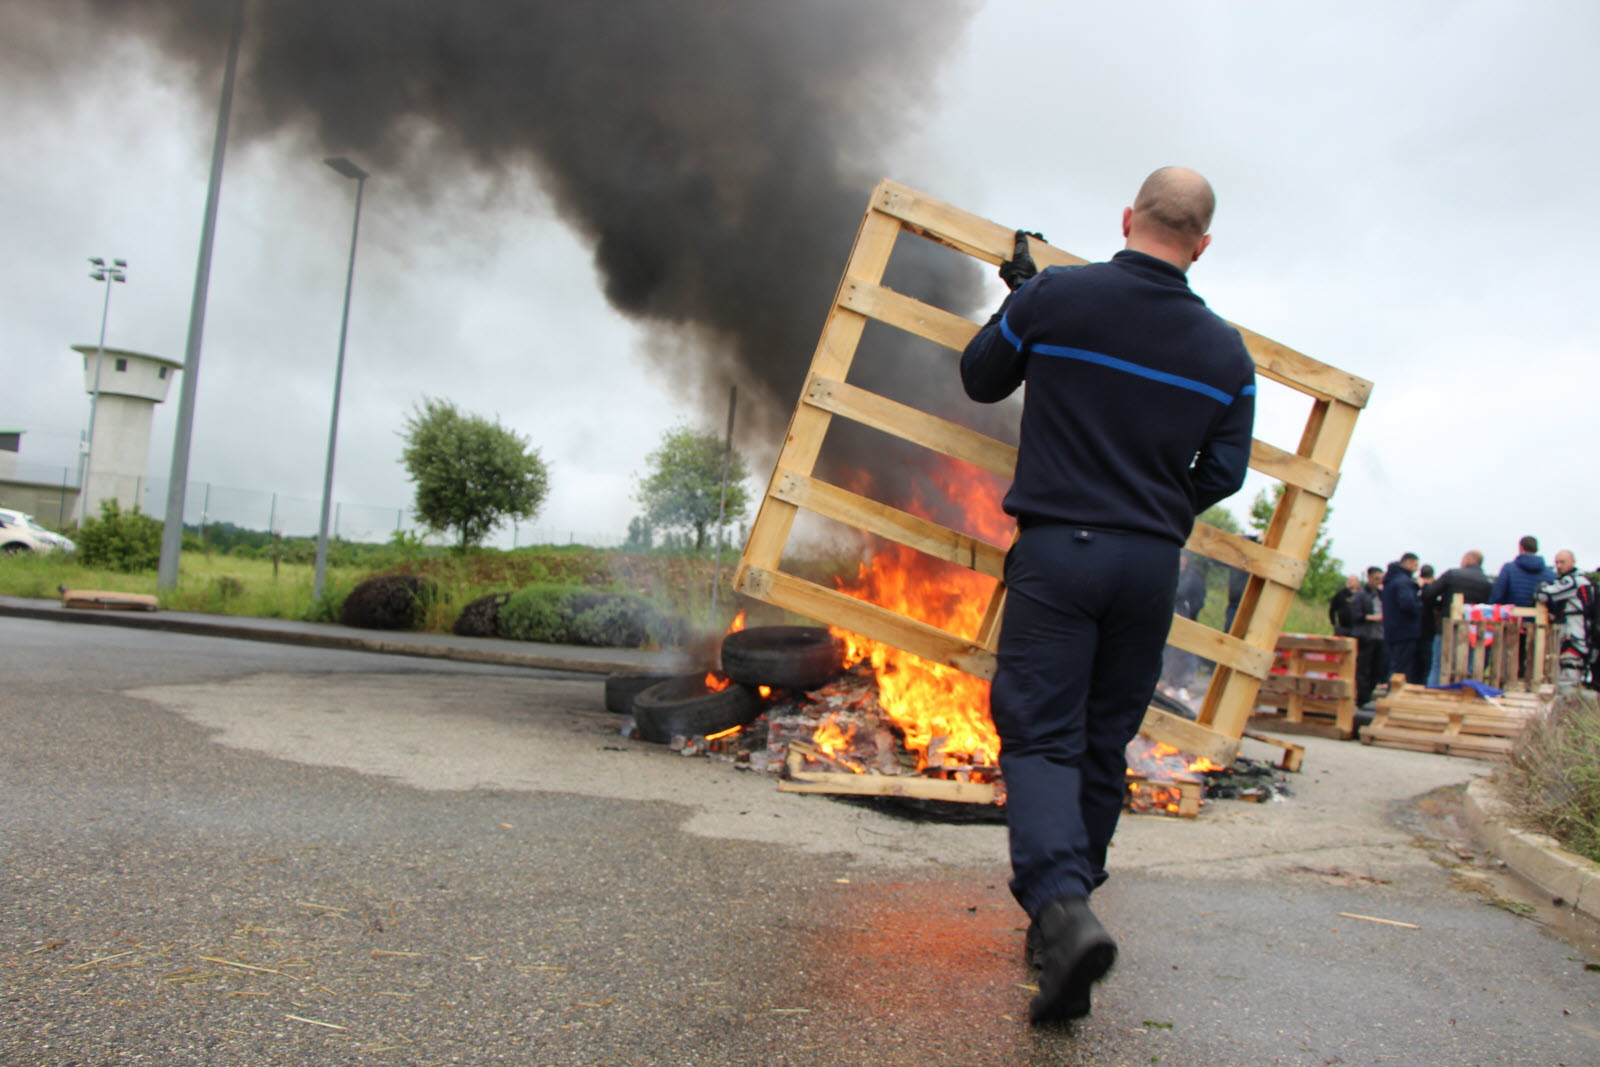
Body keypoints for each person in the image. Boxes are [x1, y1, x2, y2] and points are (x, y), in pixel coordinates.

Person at [960, 167, 1254, 1024]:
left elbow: (982, 377)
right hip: (1149, 566)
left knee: (1041, 736)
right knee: (1100, 740)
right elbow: (1225, 471)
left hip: (1060, 553)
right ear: (1202, 245)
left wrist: (1018, 301)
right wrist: (1155, 505)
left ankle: (1061, 909)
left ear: (1128, 217)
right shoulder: (1227, 354)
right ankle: (1066, 932)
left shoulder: (1057, 297)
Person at [1421, 550, 1492, 684]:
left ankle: (1433, 693)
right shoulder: (1487, 582)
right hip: (1472, 631)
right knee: (1466, 669)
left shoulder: (1452, 574)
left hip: (1447, 627)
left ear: (1468, 559)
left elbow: (1428, 595)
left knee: (1438, 666)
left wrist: (1439, 606)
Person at [1536, 550, 1594, 690]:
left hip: (1574, 635)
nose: (1559, 566)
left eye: (1563, 562)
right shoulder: (1585, 581)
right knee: (1577, 676)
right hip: (1585, 635)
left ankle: (1566, 701)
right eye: (1557, 562)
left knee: (1568, 674)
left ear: (1573, 562)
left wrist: (1541, 587)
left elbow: (1544, 595)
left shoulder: (1572, 581)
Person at [1381, 553, 1423, 684]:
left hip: (1391, 630)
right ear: (1408, 563)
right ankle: (1395, 693)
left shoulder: (1390, 580)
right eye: (1415, 565)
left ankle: (1391, 690)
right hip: (1404, 631)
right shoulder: (1404, 581)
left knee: (1393, 665)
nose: (1416, 569)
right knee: (1401, 669)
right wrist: (1420, 606)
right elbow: (1407, 604)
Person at [1351, 566, 1385, 705]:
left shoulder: (1381, 594)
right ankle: (1362, 698)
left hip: (1380, 636)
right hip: (1366, 635)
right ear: (1369, 578)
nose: (1379, 582)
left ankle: (1368, 695)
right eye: (1376, 579)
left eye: (1381, 579)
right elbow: (1355, 616)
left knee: (1377, 669)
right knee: (1363, 669)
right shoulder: (1361, 595)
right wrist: (1374, 617)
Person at [1490, 535, 1556, 607]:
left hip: (1513, 613)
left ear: (1521, 547)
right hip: (1540, 614)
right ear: (1536, 549)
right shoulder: (1550, 574)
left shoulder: (1508, 569)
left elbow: (1497, 597)